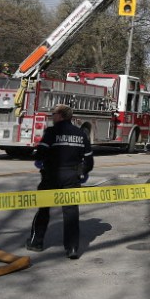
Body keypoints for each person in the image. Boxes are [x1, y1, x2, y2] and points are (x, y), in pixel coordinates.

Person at [26, 104, 94, 259]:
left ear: (61, 115)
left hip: (51, 175)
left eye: (54, 113)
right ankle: (72, 248)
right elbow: (89, 161)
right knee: (71, 212)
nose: (52, 116)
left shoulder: (51, 132)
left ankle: (36, 242)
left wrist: (40, 161)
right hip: (71, 177)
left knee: (43, 209)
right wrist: (83, 172)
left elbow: (41, 153)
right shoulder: (81, 134)